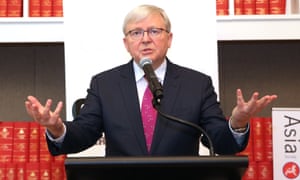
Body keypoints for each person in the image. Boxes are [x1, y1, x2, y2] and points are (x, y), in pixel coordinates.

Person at [25, 4, 277, 157]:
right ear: (126, 43)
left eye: (154, 31)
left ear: (169, 38)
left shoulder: (196, 84)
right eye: (136, 32)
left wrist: (237, 121)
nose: (145, 39)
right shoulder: (105, 84)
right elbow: (84, 134)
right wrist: (56, 128)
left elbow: (218, 141)